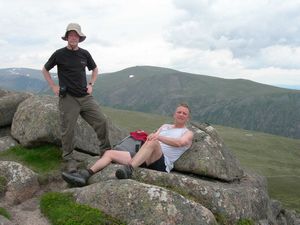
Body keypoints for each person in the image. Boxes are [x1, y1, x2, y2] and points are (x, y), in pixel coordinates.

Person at [61, 103, 194, 187]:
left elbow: (179, 143)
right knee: (109, 153)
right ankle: (85, 175)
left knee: (153, 142)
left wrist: (157, 136)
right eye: (179, 112)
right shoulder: (165, 126)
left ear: (188, 118)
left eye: (184, 113)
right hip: (145, 157)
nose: (181, 114)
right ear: (174, 114)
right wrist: (150, 136)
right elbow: (152, 137)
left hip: (162, 163)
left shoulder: (187, 133)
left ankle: (128, 169)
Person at [42, 23, 111, 171]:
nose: (73, 38)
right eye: (71, 35)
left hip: (85, 96)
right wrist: (53, 86)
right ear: (67, 37)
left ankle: (106, 151)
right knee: (68, 129)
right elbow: (45, 69)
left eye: (76, 35)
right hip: (68, 98)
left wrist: (91, 83)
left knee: (102, 121)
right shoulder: (59, 54)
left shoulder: (84, 54)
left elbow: (95, 69)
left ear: (79, 38)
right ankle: (69, 159)